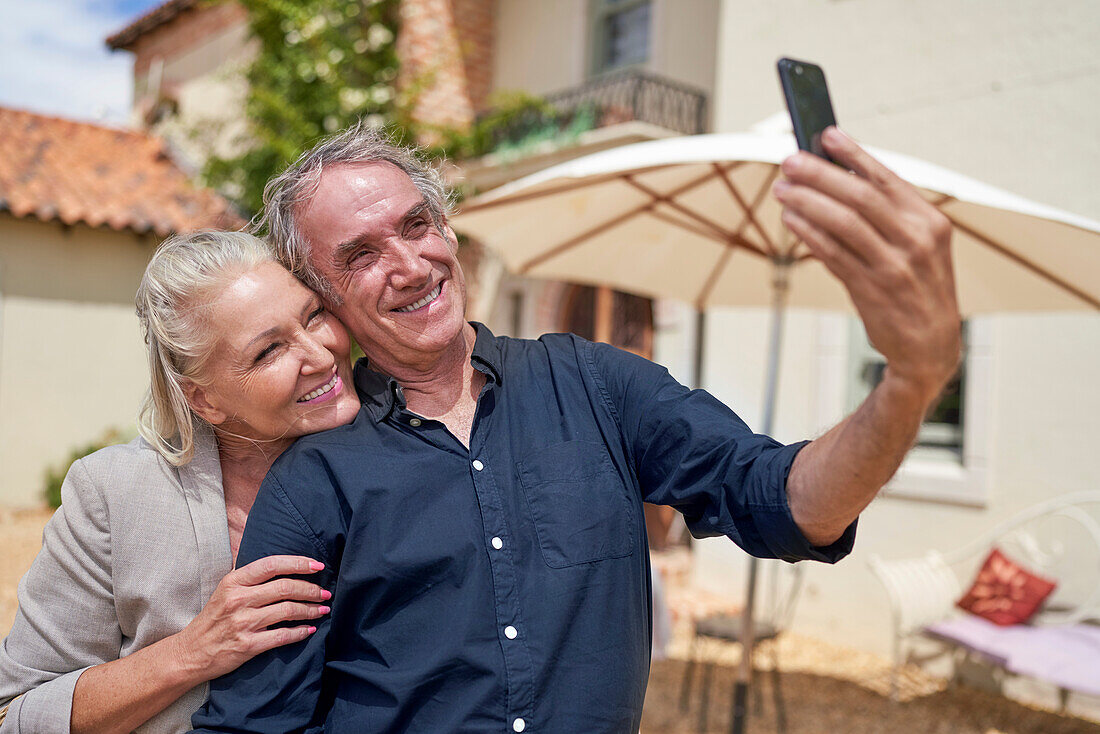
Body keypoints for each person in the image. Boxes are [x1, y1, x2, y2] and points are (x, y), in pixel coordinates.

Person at [191, 123, 961, 732]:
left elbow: (789, 501)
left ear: (449, 231)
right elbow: (256, 723)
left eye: (417, 224)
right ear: (324, 296)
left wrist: (909, 382)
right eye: (361, 255)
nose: (411, 264)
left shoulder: (599, 384)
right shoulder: (314, 479)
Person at [0, 231, 361, 733]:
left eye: (313, 316)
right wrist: (194, 651)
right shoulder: (115, 494)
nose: (320, 356)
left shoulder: (408, 445)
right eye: (268, 351)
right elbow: (20, 711)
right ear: (205, 399)